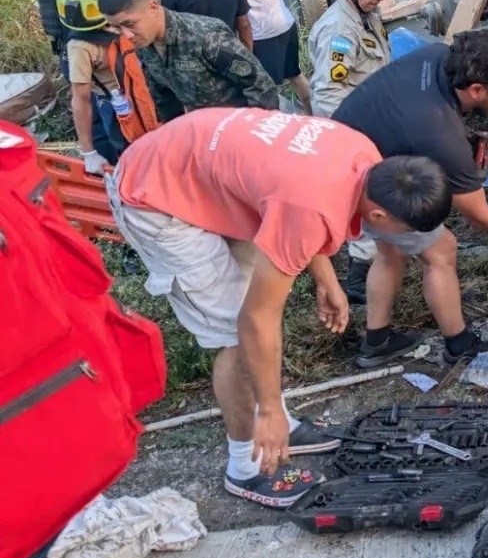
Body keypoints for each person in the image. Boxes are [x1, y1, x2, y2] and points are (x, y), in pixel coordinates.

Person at [104, 106, 451, 507]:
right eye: (404, 230)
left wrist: (327, 278)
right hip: (156, 197)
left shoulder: (365, 158)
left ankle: (281, 422)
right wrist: (267, 409)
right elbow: (258, 316)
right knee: (237, 335)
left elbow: (301, 207)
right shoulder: (312, 205)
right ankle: (245, 466)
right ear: (377, 214)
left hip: (202, 168)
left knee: (258, 306)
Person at [334, 35, 488, 368]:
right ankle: (459, 345)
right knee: (441, 248)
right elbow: (479, 216)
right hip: (356, 180)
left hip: (343, 147)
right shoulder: (439, 135)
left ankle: (377, 342)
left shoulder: (440, 56)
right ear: (477, 90)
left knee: (391, 249)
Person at [308, 0, 393, 303]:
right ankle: (359, 279)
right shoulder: (339, 32)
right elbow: (329, 93)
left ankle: (375, 264)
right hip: (353, 133)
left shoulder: (365, 15)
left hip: (373, 124)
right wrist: (352, 143)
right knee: (365, 202)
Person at [98, 0, 279, 121]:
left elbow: (260, 86)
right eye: (117, 28)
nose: (126, 35)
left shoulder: (206, 36)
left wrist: (254, 134)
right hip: (202, 131)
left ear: (152, 7)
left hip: (240, 126)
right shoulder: (144, 44)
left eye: (129, 24)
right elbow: (163, 97)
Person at [34, 0, 120, 165]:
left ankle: (95, 162)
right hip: (98, 54)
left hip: (66, 52)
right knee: (111, 112)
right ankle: (115, 166)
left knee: (86, 108)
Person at [56, 0, 128, 173]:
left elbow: (81, 97)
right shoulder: (81, 45)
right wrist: (88, 151)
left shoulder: (81, 43)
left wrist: (89, 152)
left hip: (131, 97)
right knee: (124, 151)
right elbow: (81, 98)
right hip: (119, 102)